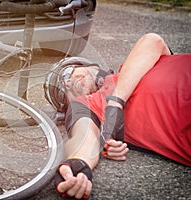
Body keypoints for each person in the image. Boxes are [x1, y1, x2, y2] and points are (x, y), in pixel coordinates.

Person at [43, 33, 191, 199]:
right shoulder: (89, 105)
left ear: (92, 66)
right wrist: (77, 163)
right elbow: (83, 135)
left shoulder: (135, 65)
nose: (71, 80)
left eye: (70, 70)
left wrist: (116, 103)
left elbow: (152, 40)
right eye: (62, 87)